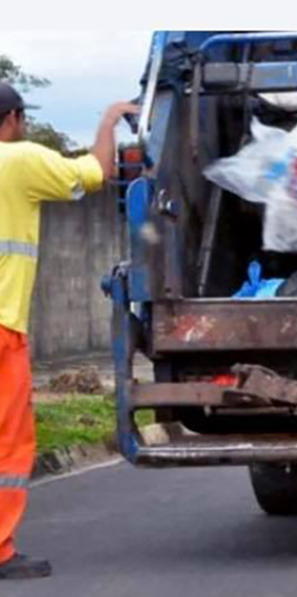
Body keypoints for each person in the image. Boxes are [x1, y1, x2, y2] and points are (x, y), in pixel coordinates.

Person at [0, 81, 139, 580]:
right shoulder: (16, 161)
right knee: (9, 442)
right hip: (1, 327)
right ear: (13, 119)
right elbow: (97, 173)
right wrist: (107, 120)